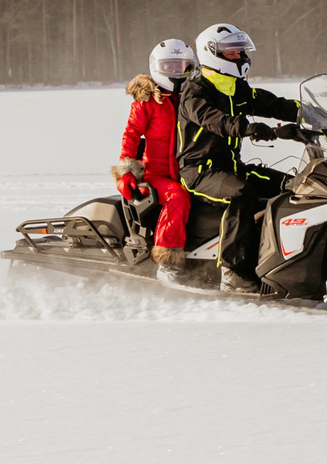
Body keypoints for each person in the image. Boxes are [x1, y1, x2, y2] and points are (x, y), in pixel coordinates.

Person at [175, 22, 304, 294]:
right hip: (199, 172)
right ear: (213, 53)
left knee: (299, 186)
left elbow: (272, 103)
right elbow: (213, 120)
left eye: (240, 51)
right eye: (233, 52)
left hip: (232, 167)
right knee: (241, 193)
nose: (240, 57)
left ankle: (289, 262)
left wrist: (314, 113)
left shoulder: (236, 88)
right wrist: (246, 127)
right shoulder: (195, 90)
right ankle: (232, 272)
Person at [112, 38, 195, 285]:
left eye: (182, 66)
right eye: (170, 67)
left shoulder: (192, 97)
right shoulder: (148, 100)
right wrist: (127, 171)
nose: (177, 72)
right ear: (157, 67)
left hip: (187, 170)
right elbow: (131, 135)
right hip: (155, 174)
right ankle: (168, 263)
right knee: (177, 196)